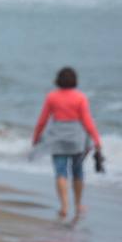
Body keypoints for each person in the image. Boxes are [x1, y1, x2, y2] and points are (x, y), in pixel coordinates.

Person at [31, 67, 103, 223]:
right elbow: (87, 121)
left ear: (58, 80)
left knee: (60, 172)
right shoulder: (80, 98)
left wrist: (36, 137)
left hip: (57, 137)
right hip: (77, 138)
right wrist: (97, 140)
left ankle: (64, 206)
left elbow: (42, 120)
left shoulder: (52, 97)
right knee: (77, 172)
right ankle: (78, 205)